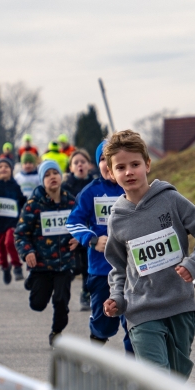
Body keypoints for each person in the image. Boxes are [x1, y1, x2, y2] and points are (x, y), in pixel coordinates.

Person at [102, 130, 195, 377]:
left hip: (180, 305)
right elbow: (119, 267)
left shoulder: (171, 200)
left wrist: (194, 264)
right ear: (111, 174)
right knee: (158, 380)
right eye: (121, 167)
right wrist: (118, 298)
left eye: (135, 164)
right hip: (141, 310)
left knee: (176, 382)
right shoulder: (117, 218)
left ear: (147, 164)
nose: (129, 172)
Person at [67, 141, 134, 350]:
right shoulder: (90, 192)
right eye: (103, 158)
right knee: (105, 323)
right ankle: (95, 345)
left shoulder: (134, 189)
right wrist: (92, 240)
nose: (108, 162)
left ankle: (135, 368)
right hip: (101, 268)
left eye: (112, 157)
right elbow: (73, 222)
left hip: (134, 268)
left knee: (134, 322)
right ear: (98, 164)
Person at [15, 161, 80, 345]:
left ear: (61, 176)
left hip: (65, 263)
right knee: (37, 304)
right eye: (47, 174)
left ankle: (57, 332)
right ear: (42, 180)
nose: (52, 177)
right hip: (42, 264)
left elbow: (83, 225)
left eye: (55, 173)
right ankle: (32, 281)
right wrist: (27, 252)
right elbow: (21, 233)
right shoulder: (34, 204)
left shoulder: (71, 201)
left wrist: (78, 237)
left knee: (61, 301)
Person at [63, 148, 95, 310]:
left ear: (89, 165)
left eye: (83, 162)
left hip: (91, 231)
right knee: (75, 266)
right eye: (76, 162)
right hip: (70, 232)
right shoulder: (66, 186)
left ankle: (86, 293)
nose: (80, 165)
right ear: (71, 167)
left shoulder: (95, 185)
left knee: (87, 265)